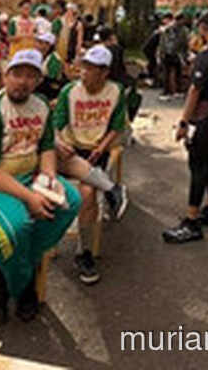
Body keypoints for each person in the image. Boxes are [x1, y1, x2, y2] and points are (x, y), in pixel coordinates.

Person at [0, 50, 85, 323]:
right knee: (15, 229)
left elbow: (46, 146)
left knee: (69, 201)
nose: (23, 81)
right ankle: (22, 289)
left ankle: (3, 273)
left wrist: (47, 179)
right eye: (17, 74)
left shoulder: (41, 105)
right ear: (5, 76)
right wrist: (29, 197)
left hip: (24, 177)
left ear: (38, 81)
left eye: (30, 76)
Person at [50, 45, 130, 284]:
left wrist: (101, 147)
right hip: (71, 148)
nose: (84, 72)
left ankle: (83, 252)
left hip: (97, 149)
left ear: (104, 72)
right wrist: (58, 142)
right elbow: (56, 125)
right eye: (83, 66)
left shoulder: (115, 92)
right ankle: (111, 188)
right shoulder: (69, 92)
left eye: (91, 69)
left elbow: (117, 126)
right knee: (53, 182)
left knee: (86, 193)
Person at [163, 12, 208, 244]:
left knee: (198, 164)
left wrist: (183, 121)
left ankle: (191, 221)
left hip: (203, 116)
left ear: (203, 27)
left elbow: (194, 90)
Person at [159, 14, 189, 99]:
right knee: (170, 73)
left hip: (172, 53)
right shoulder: (171, 29)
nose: (184, 21)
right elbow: (165, 42)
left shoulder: (172, 28)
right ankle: (169, 92)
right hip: (171, 53)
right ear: (179, 20)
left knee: (173, 73)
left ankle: (172, 92)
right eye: (183, 19)